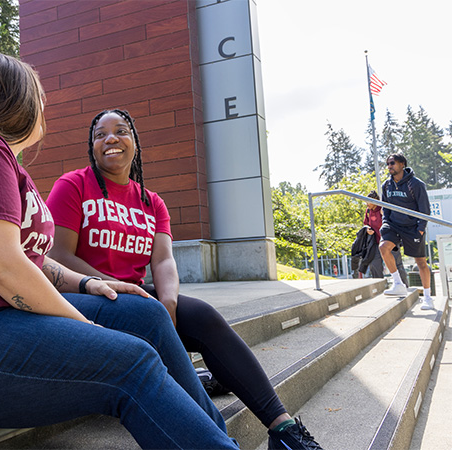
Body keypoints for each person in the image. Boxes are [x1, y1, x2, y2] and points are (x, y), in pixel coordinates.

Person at [0, 54, 241, 450]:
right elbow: (3, 267)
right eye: (40, 98)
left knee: (145, 313)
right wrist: (87, 329)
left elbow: (24, 255)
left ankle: (216, 437)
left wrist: (86, 282)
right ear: (20, 101)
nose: (45, 108)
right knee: (127, 359)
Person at [46, 109, 323, 450]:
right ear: (92, 147)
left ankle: (285, 431)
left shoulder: (151, 202)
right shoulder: (73, 185)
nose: (111, 139)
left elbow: (163, 259)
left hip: (136, 298)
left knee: (203, 316)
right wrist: (111, 286)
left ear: (135, 143)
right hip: (87, 297)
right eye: (100, 135)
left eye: (120, 131)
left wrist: (170, 300)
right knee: (148, 317)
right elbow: (58, 256)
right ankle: (212, 430)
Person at [380, 153, 434, 310]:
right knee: (383, 247)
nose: (389, 166)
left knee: (421, 262)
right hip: (393, 225)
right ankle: (398, 283)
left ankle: (428, 298)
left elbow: (425, 209)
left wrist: (420, 229)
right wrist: (385, 223)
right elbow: (386, 207)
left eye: (392, 163)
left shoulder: (415, 184)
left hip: (412, 227)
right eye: (388, 164)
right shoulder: (386, 185)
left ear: (402, 164)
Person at [363, 190, 407, 283]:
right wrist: (367, 229)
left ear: (375, 200)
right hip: (375, 242)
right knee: (374, 264)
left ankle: (403, 285)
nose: (366, 203)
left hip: (389, 241)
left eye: (368, 201)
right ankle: (379, 286)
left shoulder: (383, 209)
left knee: (396, 263)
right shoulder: (368, 211)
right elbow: (365, 224)